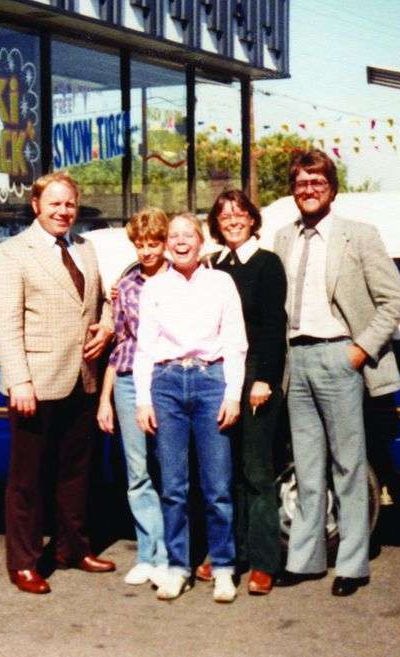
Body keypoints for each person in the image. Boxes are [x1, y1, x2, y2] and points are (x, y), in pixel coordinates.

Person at [273, 150, 400, 597]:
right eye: (301, 183)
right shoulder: (283, 238)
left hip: (339, 358)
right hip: (297, 360)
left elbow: (394, 300)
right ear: (293, 189)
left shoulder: (359, 236)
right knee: (307, 468)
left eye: (317, 183)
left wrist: (359, 349)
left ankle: (352, 564)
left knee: (348, 465)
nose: (308, 190)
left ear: (332, 188)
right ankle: (305, 559)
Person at [0, 171, 116, 595]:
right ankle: (23, 562)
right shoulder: (11, 253)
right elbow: (3, 321)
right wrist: (19, 380)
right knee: (27, 481)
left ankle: (72, 549)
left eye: (70, 205)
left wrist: (108, 327)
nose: (63, 212)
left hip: (82, 378)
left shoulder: (86, 248)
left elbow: (103, 301)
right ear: (36, 206)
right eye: (55, 204)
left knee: (76, 475)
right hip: (36, 384)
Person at [134, 213, 247, 603]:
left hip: (210, 382)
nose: (181, 242)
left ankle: (223, 568)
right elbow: (144, 345)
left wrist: (232, 394)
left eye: (188, 235)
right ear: (166, 243)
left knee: (217, 486)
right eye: (174, 236)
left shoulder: (221, 283)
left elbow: (235, 342)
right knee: (174, 486)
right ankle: (178, 567)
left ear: (201, 243)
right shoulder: (155, 288)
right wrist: (144, 399)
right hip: (166, 384)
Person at [194, 190, 286, 596]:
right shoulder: (211, 265)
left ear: (252, 219)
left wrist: (264, 378)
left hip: (254, 378)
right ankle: (229, 553)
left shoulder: (267, 264)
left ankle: (264, 563)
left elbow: (271, 327)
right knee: (221, 473)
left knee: (257, 473)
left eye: (239, 213)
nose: (231, 220)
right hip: (217, 376)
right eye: (223, 214)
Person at [96, 208, 170, 587]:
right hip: (126, 380)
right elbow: (119, 343)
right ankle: (148, 553)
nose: (146, 252)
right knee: (137, 472)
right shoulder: (125, 287)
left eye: (153, 244)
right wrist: (105, 398)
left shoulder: (182, 280)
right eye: (140, 245)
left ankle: (172, 554)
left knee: (169, 469)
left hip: (166, 380)